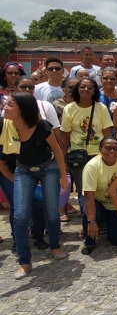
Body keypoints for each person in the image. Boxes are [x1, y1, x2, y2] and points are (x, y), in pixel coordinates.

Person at [1, 92, 69, 279]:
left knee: (51, 212)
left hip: (48, 169)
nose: (5, 107)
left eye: (10, 104)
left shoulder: (41, 125)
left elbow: (57, 150)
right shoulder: (5, 125)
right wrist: (11, 177)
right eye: (5, 104)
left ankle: (54, 246)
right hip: (23, 171)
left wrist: (63, 176)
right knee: (20, 216)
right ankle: (24, 262)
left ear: (22, 109)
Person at [60, 77, 114, 233]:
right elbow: (64, 138)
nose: (85, 90)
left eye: (89, 87)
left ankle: (100, 222)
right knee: (84, 191)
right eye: (82, 87)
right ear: (77, 89)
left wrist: (109, 155)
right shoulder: (69, 109)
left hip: (99, 155)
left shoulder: (101, 108)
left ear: (94, 90)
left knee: (101, 188)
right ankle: (87, 225)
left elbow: (107, 133)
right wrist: (62, 161)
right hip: (78, 157)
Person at [80, 136, 117, 254]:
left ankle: (106, 224)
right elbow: (89, 197)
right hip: (96, 200)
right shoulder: (92, 167)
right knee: (90, 214)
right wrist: (91, 221)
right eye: (108, 148)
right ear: (100, 149)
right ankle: (89, 241)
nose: (112, 151)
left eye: (116, 148)